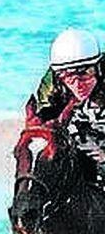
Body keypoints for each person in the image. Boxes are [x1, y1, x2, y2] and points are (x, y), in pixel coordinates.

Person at [25, 27, 105, 161]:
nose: (77, 84)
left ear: (98, 69)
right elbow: (41, 126)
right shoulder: (51, 86)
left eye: (84, 73)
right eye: (68, 76)